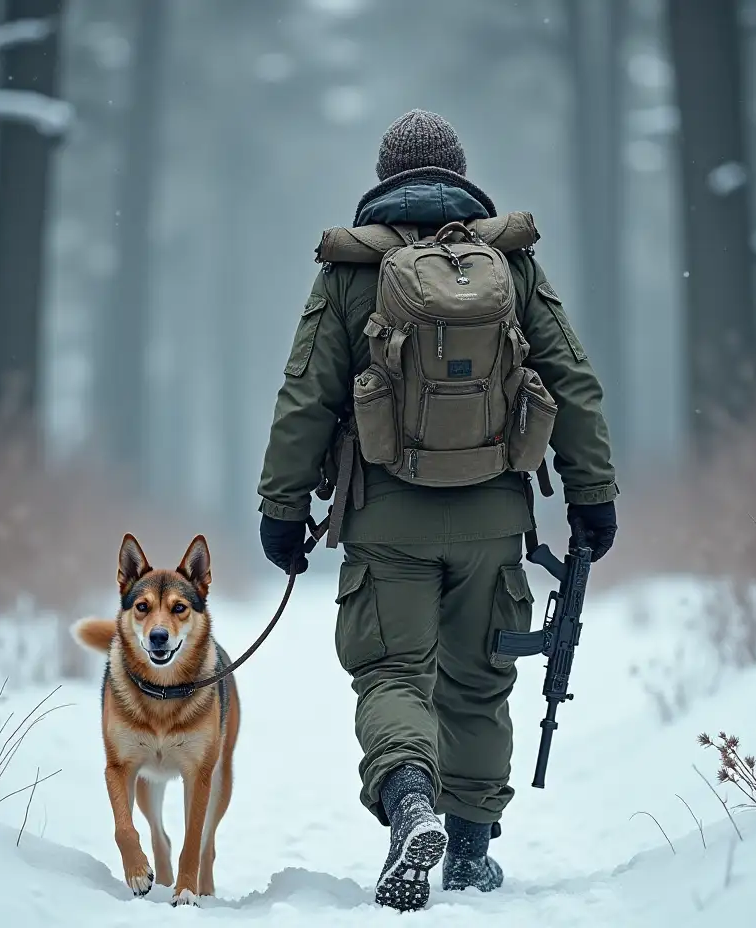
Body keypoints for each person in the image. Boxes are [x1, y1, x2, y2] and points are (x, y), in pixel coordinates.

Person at [255, 108, 618, 911]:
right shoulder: (511, 266)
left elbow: (305, 395)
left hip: (388, 521)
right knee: (480, 684)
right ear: (459, 173)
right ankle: (469, 852)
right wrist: (592, 494)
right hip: (494, 517)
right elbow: (572, 380)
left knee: (392, 674)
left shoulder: (350, 272)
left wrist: (282, 508)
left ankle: (410, 795)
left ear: (386, 180)